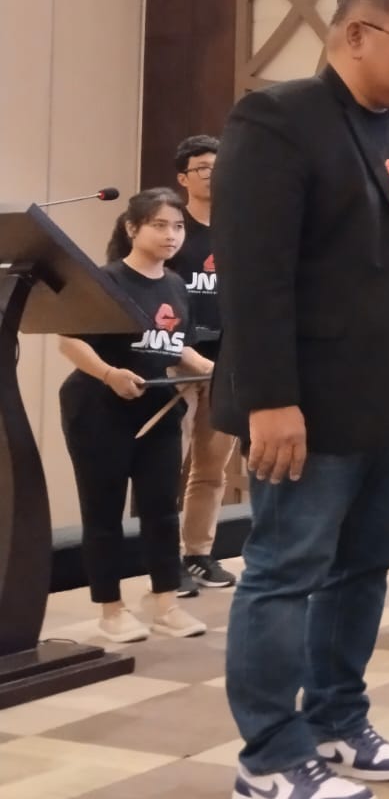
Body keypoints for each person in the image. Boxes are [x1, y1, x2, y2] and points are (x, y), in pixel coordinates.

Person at [212, 0, 389, 799]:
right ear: (355, 35)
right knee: (285, 570)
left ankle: (335, 720)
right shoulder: (279, 119)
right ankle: (268, 758)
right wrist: (269, 398)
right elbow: (254, 273)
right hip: (309, 408)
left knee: (366, 565)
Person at [56, 188, 212, 643]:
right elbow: (70, 340)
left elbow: (173, 345)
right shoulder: (105, 280)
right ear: (132, 228)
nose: (171, 235)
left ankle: (166, 603)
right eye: (159, 225)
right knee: (103, 512)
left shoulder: (176, 285)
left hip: (157, 410)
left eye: (178, 227)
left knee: (162, 509)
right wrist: (109, 374)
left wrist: (207, 367)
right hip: (97, 410)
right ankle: (111, 610)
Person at [169, 133, 239, 596]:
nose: (212, 175)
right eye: (202, 168)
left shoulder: (239, 227)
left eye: (219, 166)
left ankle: (197, 554)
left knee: (211, 468)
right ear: (183, 178)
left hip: (226, 361)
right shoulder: (172, 229)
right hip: (175, 360)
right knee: (164, 467)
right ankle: (163, 561)